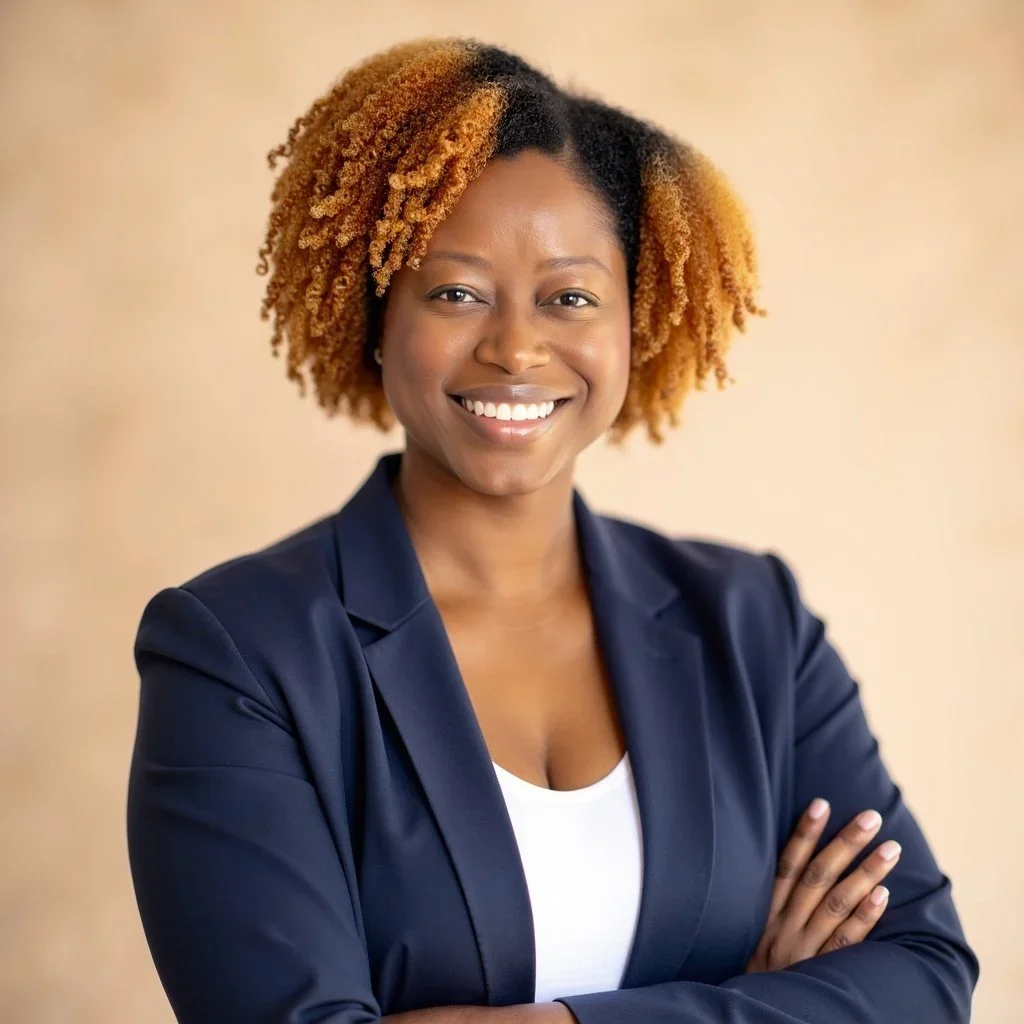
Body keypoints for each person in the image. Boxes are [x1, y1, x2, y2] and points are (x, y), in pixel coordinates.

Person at [126, 38, 977, 1024]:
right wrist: (753, 999)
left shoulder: (754, 623)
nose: (516, 346)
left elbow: (922, 974)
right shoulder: (238, 649)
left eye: (569, 296)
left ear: (633, 322)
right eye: (455, 291)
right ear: (376, 312)